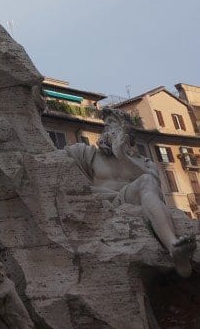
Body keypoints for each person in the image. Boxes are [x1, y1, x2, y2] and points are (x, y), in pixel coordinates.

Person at [65, 110, 196, 277]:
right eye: (106, 126)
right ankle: (174, 248)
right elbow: (54, 158)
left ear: (127, 135)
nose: (107, 131)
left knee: (146, 181)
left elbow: (154, 186)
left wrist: (123, 156)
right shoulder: (88, 153)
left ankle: (174, 248)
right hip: (102, 206)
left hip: (133, 202)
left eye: (113, 126)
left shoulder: (145, 163)